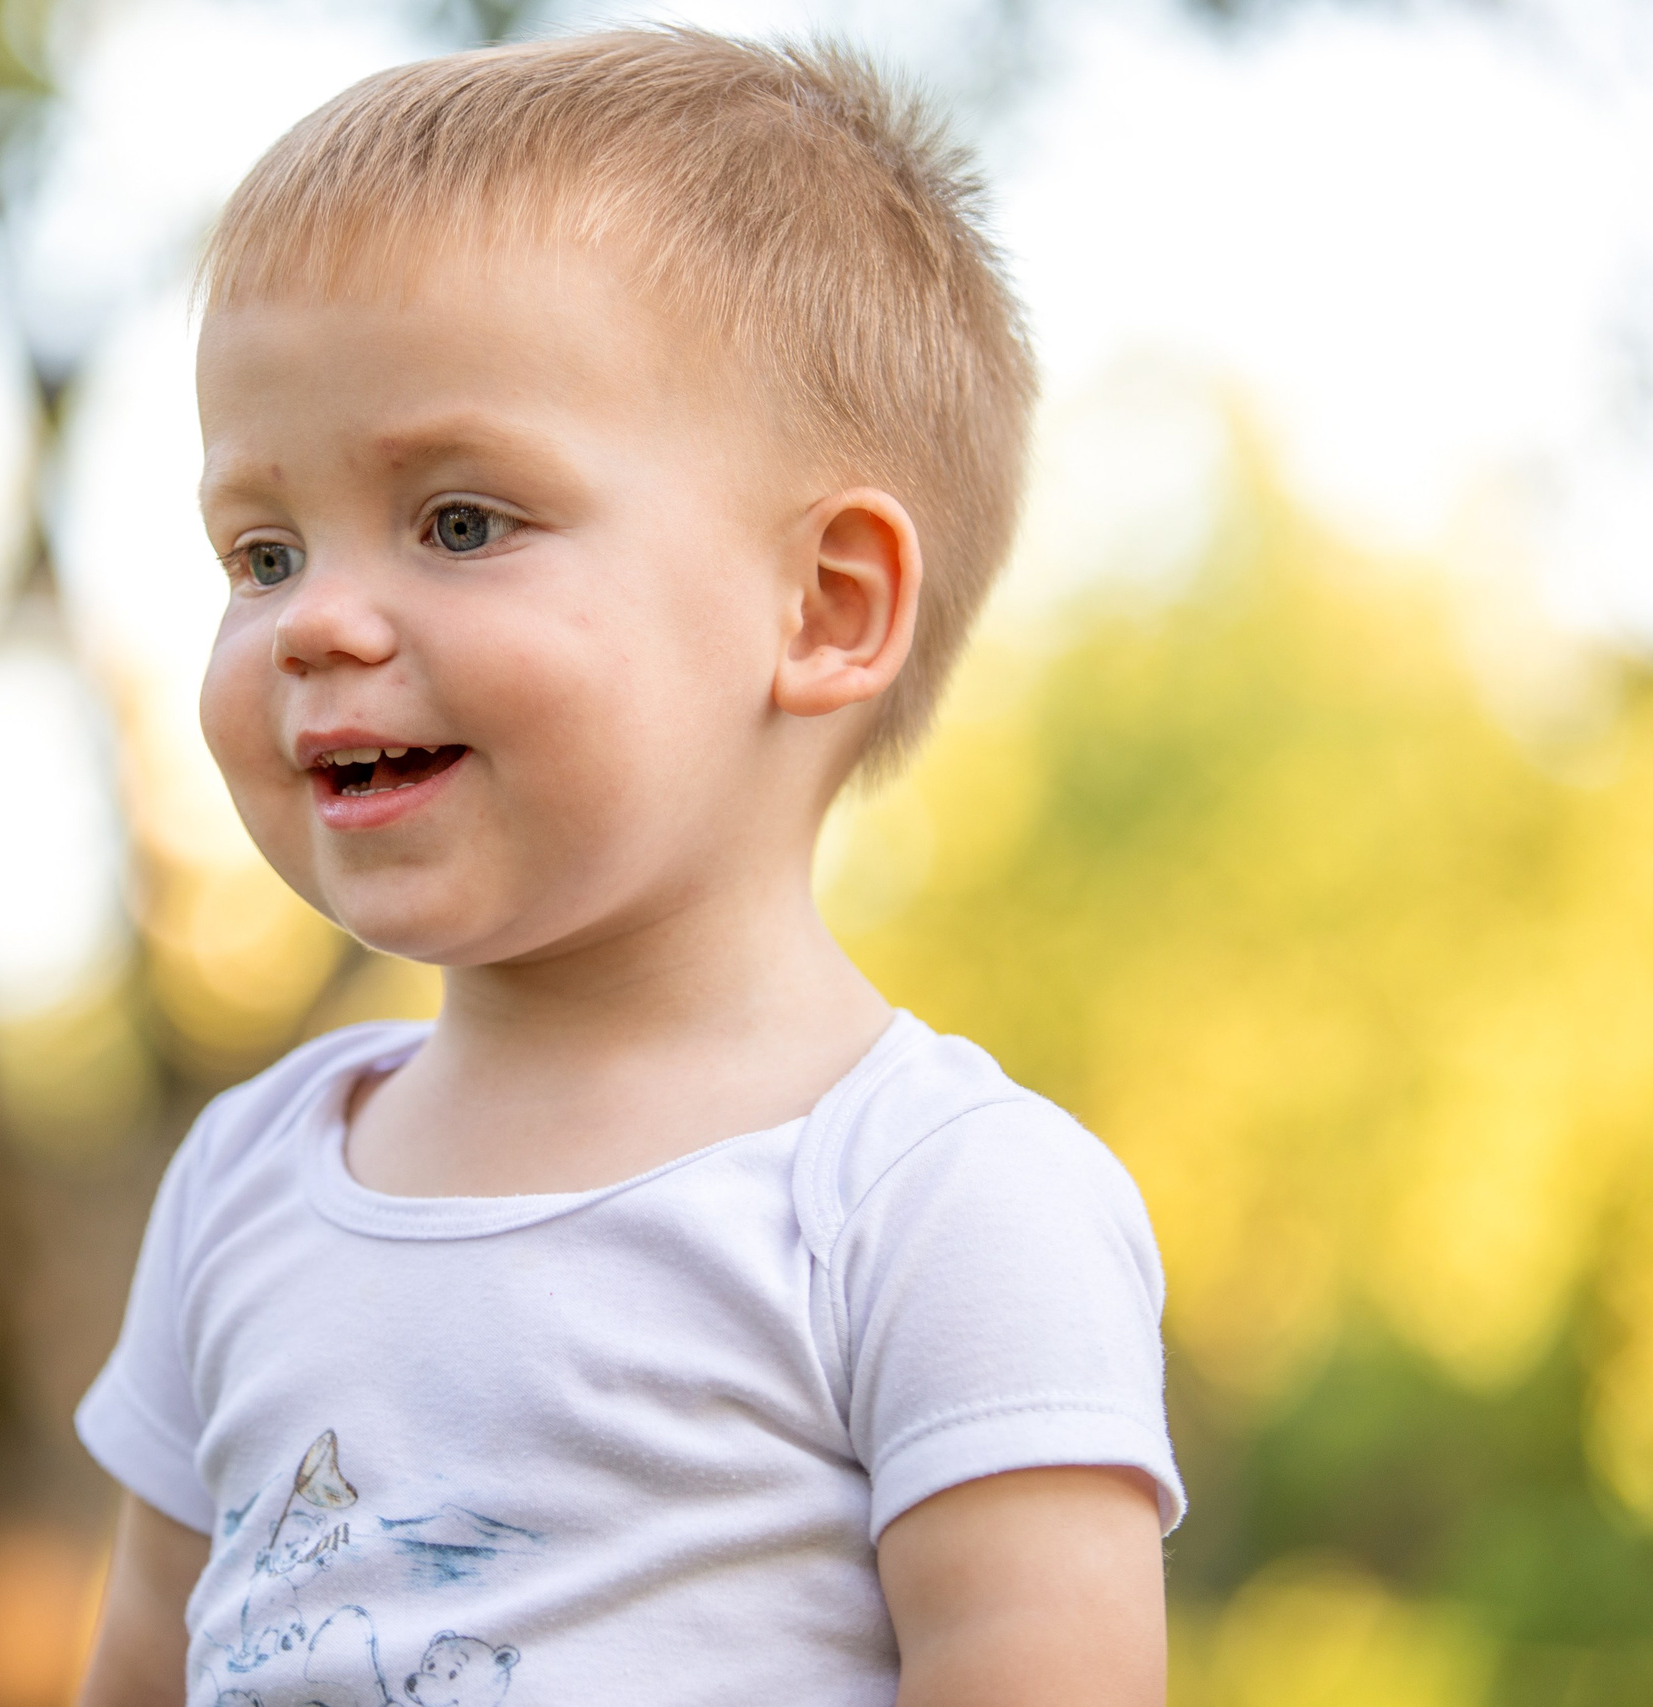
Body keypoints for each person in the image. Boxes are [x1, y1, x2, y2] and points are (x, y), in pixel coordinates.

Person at [72, 29, 1179, 1707]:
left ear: (824, 607)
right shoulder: (245, 1186)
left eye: (459, 521)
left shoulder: (934, 1211)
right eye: (263, 550)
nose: (314, 622)